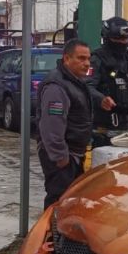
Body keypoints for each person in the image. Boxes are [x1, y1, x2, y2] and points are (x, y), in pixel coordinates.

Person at [38, 39, 95, 208]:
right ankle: (50, 234)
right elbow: (51, 125)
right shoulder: (57, 87)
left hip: (73, 155)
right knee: (58, 201)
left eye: (88, 59)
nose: (86, 63)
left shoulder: (75, 82)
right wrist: (61, 157)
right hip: (63, 157)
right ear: (66, 59)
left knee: (69, 202)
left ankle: (59, 233)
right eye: (81, 58)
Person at [87, 17, 128, 147]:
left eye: (125, 39)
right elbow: (86, 87)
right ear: (107, 38)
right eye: (117, 39)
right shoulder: (97, 60)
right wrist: (101, 99)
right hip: (105, 131)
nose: (122, 42)